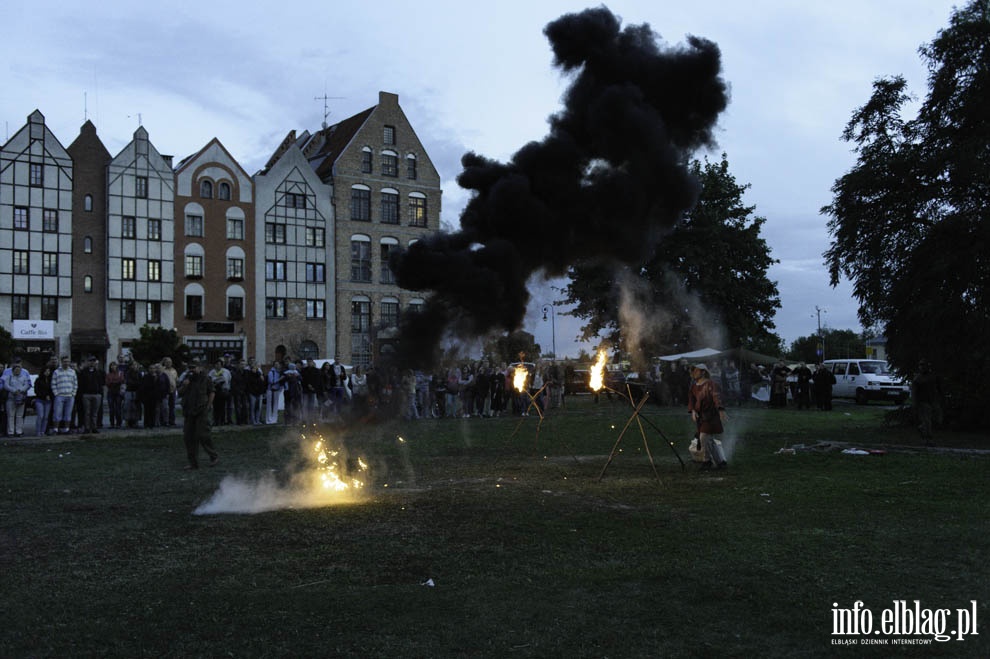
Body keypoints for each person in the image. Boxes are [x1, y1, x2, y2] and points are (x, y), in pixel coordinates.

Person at [176, 359, 218, 470]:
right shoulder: (187, 379)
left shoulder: (205, 379)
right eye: (190, 368)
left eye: (194, 367)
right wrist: (185, 386)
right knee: (188, 437)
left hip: (201, 410)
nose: (192, 370)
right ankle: (193, 463)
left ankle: (213, 456)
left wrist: (209, 405)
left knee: (202, 434)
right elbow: (179, 393)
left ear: (200, 368)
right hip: (189, 411)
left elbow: (212, 392)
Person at [687, 363, 728, 470]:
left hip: (711, 416)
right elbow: (692, 400)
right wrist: (693, 411)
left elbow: (716, 397)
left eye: (696, 371)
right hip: (701, 417)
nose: (694, 373)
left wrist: (721, 410)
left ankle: (707, 461)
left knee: (703, 437)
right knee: (709, 440)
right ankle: (721, 462)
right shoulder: (694, 387)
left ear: (703, 372)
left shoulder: (711, 384)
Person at [912, 360, 942, 447]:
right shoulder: (917, 379)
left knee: (937, 419)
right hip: (923, 402)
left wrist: (940, 398)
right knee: (927, 421)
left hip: (933, 401)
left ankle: (922, 428)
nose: (922, 367)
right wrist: (915, 403)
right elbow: (914, 392)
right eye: (921, 366)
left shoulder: (933, 376)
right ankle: (928, 439)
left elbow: (938, 387)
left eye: (924, 366)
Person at [2, 361, 33, 437]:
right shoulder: (8, 377)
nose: (17, 371)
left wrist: (20, 390)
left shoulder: (24, 377)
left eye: (19, 369)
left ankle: (19, 431)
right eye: (16, 369)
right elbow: (6, 385)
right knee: (11, 416)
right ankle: (10, 432)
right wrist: (13, 390)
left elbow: (27, 385)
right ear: (13, 370)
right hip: (11, 398)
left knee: (19, 416)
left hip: (21, 398)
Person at [77, 356, 106, 434]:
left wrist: (100, 393)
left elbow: (102, 383)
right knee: (87, 412)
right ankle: (87, 428)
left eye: (93, 361)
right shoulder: (83, 372)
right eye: (90, 361)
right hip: (86, 394)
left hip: (96, 394)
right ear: (88, 362)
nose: (92, 362)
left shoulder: (99, 372)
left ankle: (94, 427)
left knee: (95, 413)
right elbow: (80, 383)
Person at [51, 356, 78, 435]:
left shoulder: (72, 372)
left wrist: (73, 393)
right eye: (64, 361)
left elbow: (75, 384)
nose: (66, 363)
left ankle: (66, 429)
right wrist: (56, 393)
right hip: (60, 395)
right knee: (57, 413)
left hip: (70, 396)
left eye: (67, 361)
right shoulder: (56, 372)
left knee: (68, 413)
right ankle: (56, 429)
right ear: (61, 362)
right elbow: (53, 384)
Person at [32, 363, 54, 436]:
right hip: (40, 400)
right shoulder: (38, 380)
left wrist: (50, 396)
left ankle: (43, 431)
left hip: (48, 401)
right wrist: (44, 395)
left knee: (46, 417)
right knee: (40, 416)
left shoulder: (51, 380)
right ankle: (38, 431)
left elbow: (52, 390)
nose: (47, 372)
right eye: (46, 371)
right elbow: (36, 390)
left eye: (49, 371)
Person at [105, 362, 125, 429]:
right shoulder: (108, 374)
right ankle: (112, 424)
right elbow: (107, 383)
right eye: (112, 366)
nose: (113, 367)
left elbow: (121, 380)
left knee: (118, 409)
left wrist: (113, 381)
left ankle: (118, 423)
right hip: (110, 393)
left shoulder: (120, 373)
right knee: (111, 409)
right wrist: (116, 381)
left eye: (114, 365)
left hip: (118, 393)